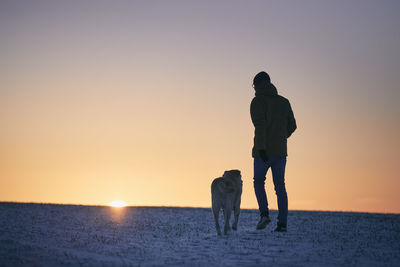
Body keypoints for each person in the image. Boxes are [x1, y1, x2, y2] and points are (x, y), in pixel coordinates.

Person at [250, 71, 297, 232]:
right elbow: (292, 126)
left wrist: (262, 147)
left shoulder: (257, 102)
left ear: (258, 85)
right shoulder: (284, 102)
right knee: (280, 187)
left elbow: (260, 126)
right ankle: (282, 223)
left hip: (262, 152)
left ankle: (264, 214)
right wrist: (281, 138)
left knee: (258, 182)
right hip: (280, 152)